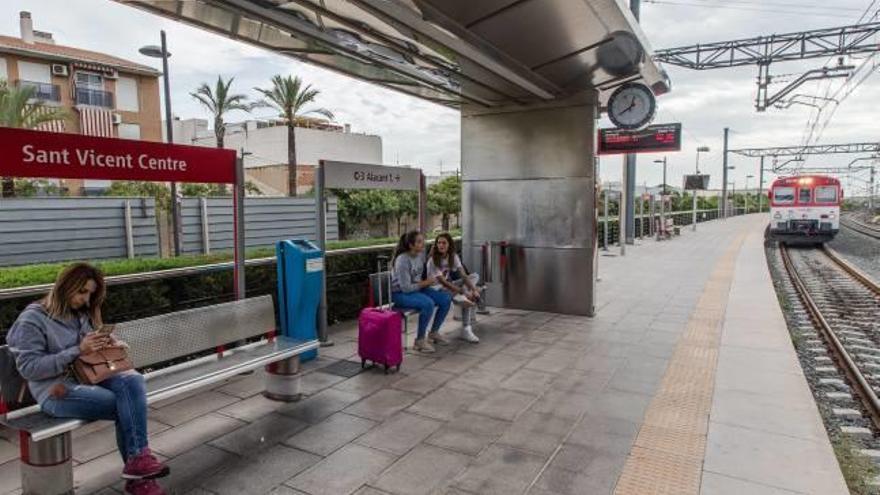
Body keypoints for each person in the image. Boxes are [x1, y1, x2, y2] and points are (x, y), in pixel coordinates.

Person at [7, 263, 168, 495]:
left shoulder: (80, 312)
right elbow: (30, 369)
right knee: (127, 405)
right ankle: (139, 477)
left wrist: (108, 340)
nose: (86, 299)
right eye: (82, 291)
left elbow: (90, 340)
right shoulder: (32, 320)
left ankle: (139, 463)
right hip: (56, 389)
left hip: (90, 376)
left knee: (133, 382)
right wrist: (77, 350)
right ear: (65, 287)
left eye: (90, 293)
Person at [390, 230, 452, 353]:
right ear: (411, 245)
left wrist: (431, 282)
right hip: (399, 294)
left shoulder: (419, 256)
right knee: (427, 303)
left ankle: (433, 333)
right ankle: (420, 340)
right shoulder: (402, 260)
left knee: (445, 299)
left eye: (423, 241)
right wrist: (426, 283)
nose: (423, 244)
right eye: (419, 242)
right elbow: (406, 288)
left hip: (416, 290)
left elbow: (419, 279)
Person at [426, 233, 482, 343]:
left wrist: (473, 290)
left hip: (448, 286)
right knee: (466, 297)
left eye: (444, 243)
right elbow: (442, 281)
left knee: (474, 276)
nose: (441, 245)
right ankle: (466, 328)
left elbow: (463, 275)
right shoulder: (433, 260)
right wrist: (463, 291)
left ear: (449, 245)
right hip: (436, 289)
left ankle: (463, 297)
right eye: (439, 243)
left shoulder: (453, 256)